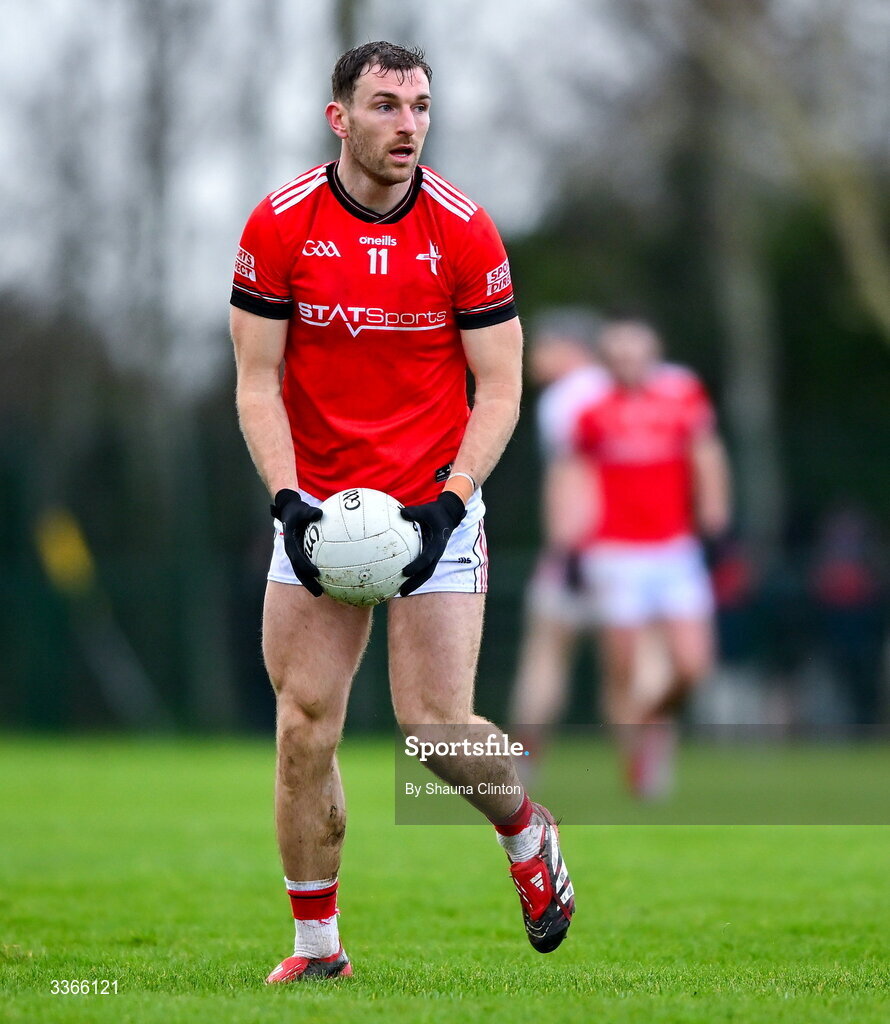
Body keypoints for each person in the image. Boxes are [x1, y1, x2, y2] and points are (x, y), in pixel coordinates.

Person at [229, 41, 574, 982]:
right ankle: (318, 949)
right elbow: (257, 384)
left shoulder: (463, 229)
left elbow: (500, 389)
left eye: (421, 105)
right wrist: (288, 501)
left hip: (434, 504)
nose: (409, 125)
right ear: (339, 117)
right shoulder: (281, 225)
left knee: (432, 728)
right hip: (317, 510)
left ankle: (525, 829)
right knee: (305, 723)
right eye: (386, 106)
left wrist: (448, 503)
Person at [554, 317, 731, 797]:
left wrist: (715, 519)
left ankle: (649, 724)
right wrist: (570, 543)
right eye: (619, 358)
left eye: (637, 356)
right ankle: (637, 757)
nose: (628, 366)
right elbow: (576, 478)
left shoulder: (681, 399)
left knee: (694, 666)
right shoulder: (591, 414)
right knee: (624, 669)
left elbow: (706, 456)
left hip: (674, 550)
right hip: (615, 554)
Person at [509, 309, 672, 767]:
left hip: (585, 546)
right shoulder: (626, 389)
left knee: (547, 654)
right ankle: (646, 758)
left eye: (540, 347)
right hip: (637, 547)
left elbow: (573, 478)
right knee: (637, 658)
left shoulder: (567, 399)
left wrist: (568, 546)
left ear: (568, 348)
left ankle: (526, 757)